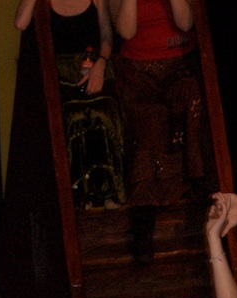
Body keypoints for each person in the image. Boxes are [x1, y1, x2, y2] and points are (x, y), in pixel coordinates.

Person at [112, 0, 203, 261]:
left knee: (190, 97)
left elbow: (185, 23)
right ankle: (144, 217)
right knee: (150, 119)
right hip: (137, 73)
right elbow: (126, 31)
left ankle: (198, 190)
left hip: (179, 65)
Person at [14, 0, 126, 210]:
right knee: (73, 115)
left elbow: (106, 36)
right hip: (63, 74)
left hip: (93, 67)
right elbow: (20, 23)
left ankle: (109, 190)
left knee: (103, 110)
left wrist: (101, 63)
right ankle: (81, 194)